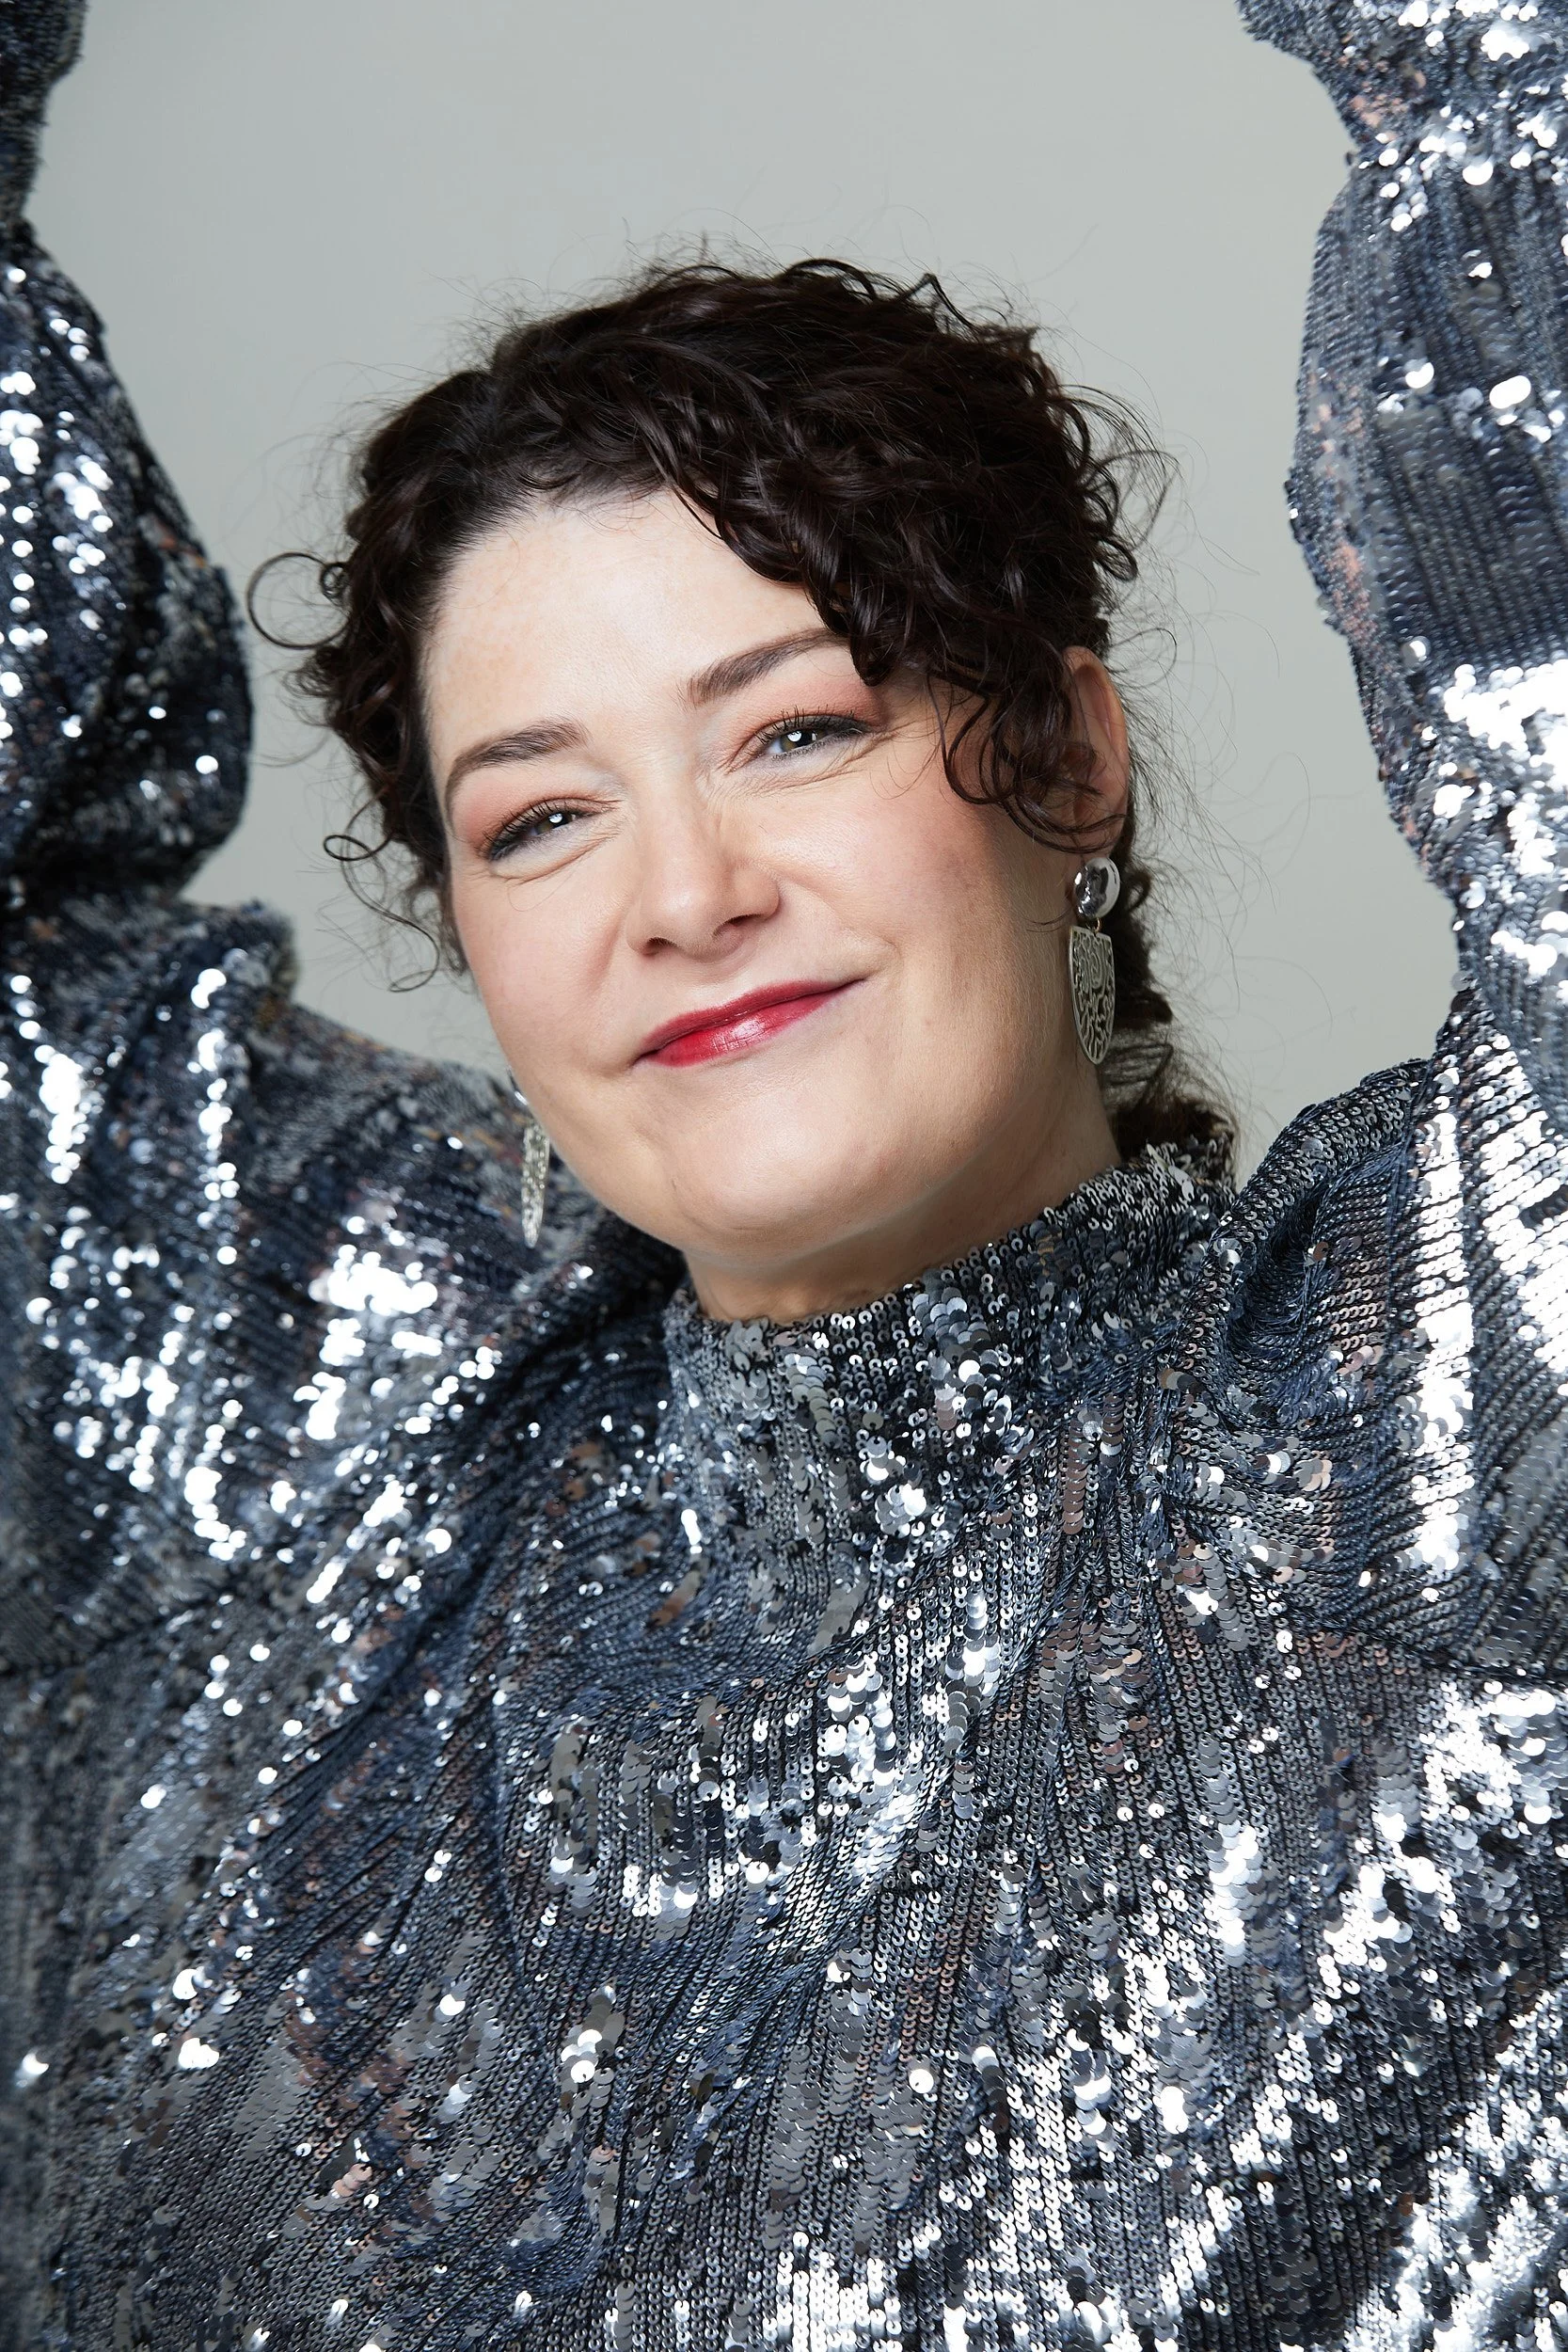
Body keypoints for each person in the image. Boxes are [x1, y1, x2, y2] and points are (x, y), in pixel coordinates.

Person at [3, 0, 1567, 2344]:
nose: (681, 891)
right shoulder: (312, 1490)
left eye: (793, 729)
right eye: (538, 814)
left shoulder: (1421, 1442)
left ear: (1060, 755)